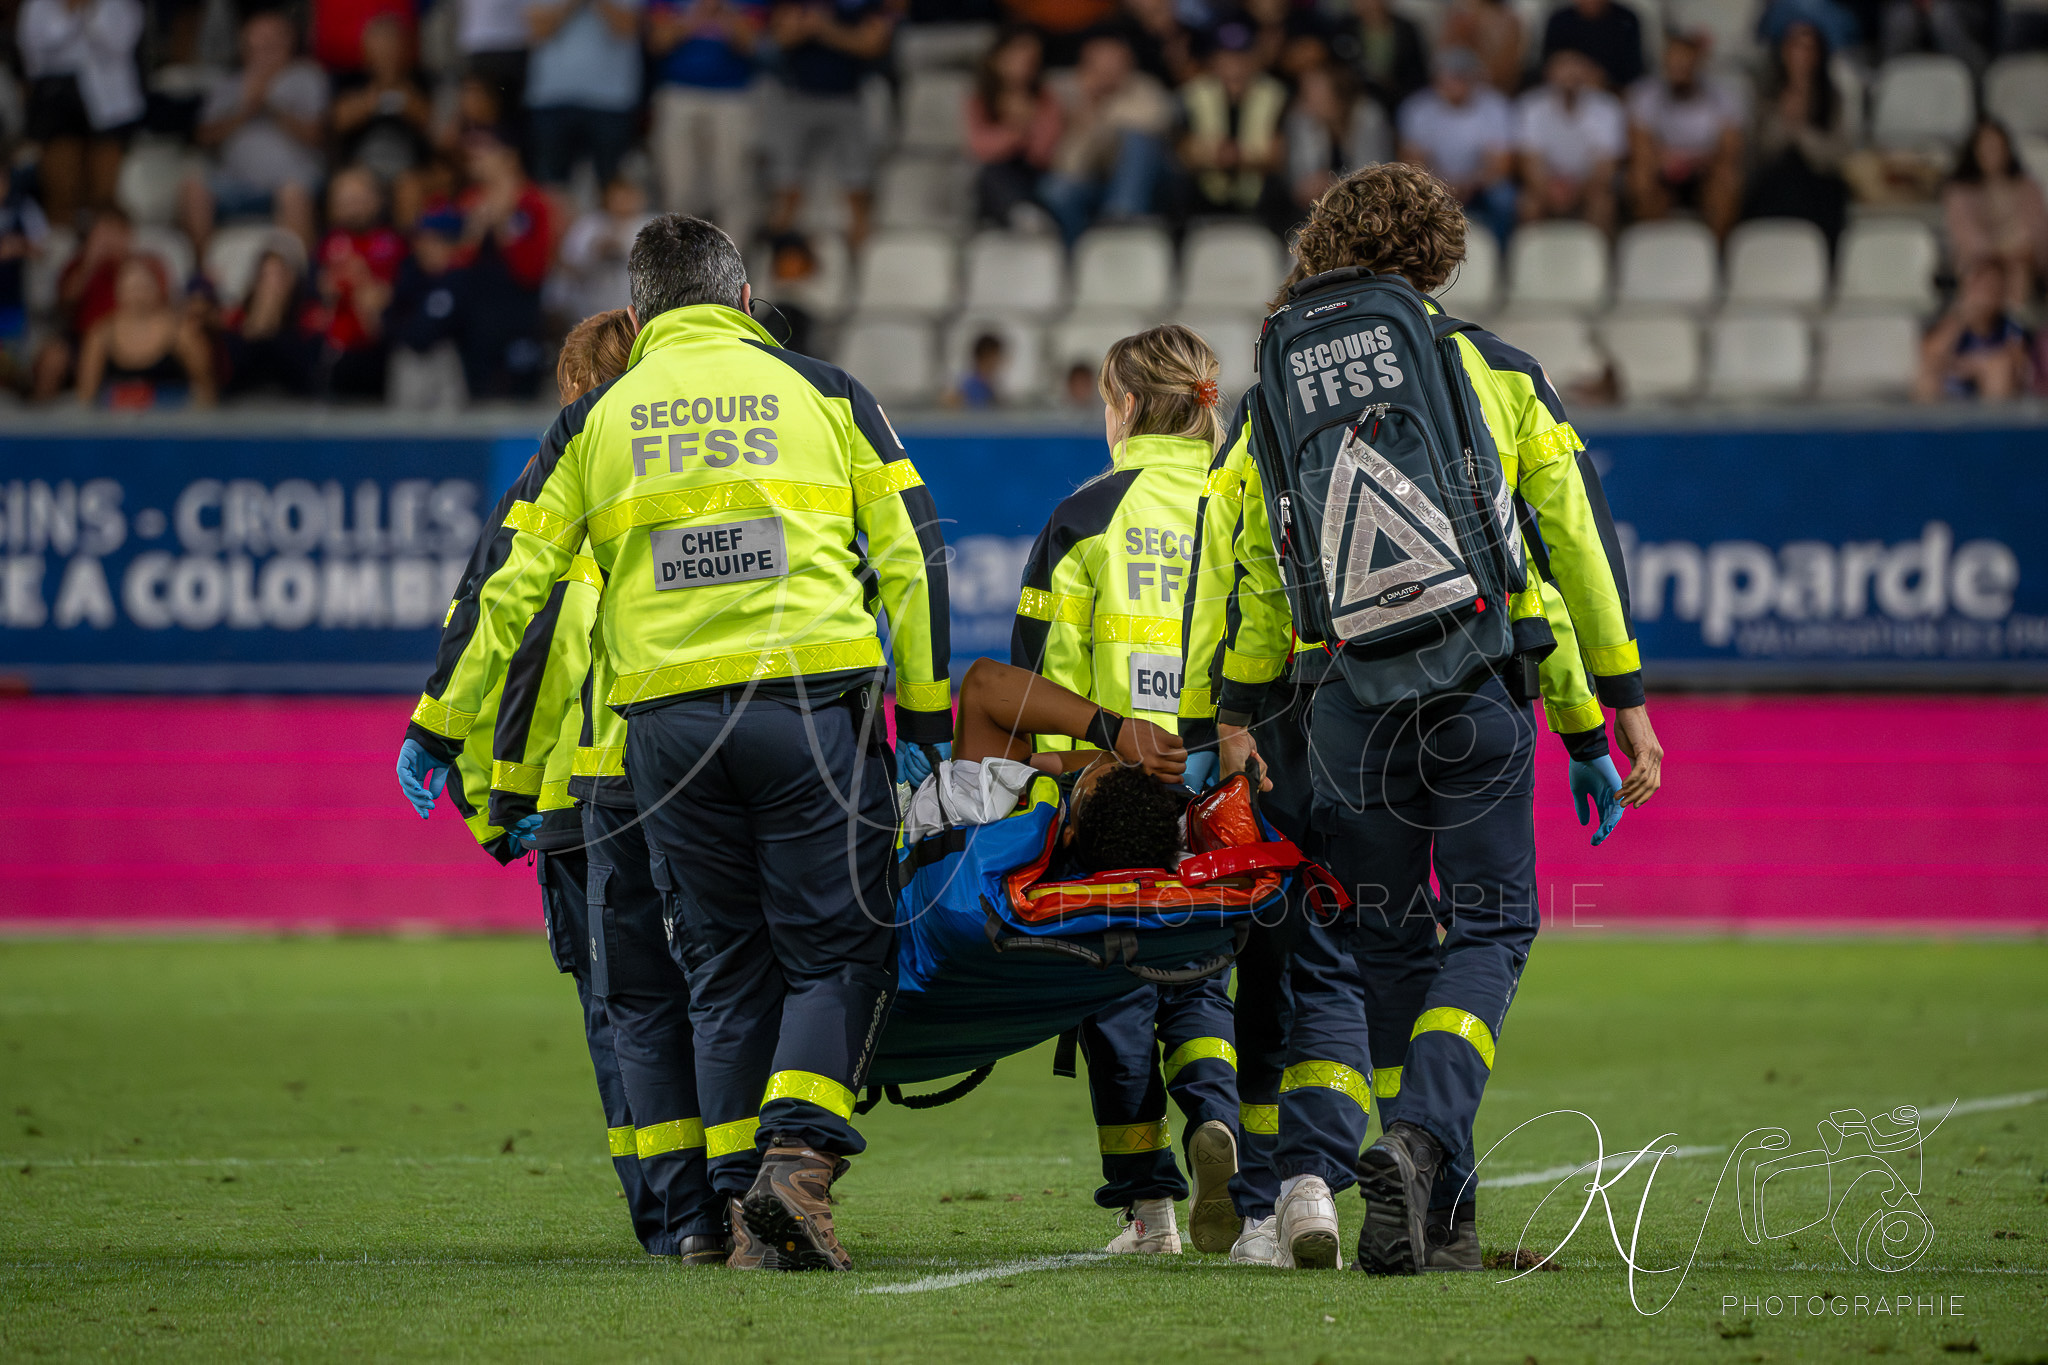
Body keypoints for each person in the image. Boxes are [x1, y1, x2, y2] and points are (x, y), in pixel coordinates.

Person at [394, 213, 951, 1272]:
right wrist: (921, 718)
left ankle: (740, 1223)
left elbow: (508, 583)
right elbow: (912, 555)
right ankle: (795, 1159)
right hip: (807, 706)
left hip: (662, 731)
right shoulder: (827, 392)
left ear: (641, 314)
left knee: (726, 972)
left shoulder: (593, 424)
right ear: (744, 303)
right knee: (838, 948)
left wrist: (438, 723)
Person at [1186, 163, 1662, 1273]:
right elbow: (1566, 552)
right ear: (1438, 262)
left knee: (1396, 952)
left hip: (1345, 714)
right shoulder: (1488, 369)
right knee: (1492, 929)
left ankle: (1434, 1228)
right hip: (1472, 696)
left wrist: (1240, 715)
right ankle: (1417, 1144)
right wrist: (1608, 708)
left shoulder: (1272, 403)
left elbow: (1255, 581)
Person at [1011, 324, 1242, 1260]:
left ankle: (1151, 1213)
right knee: (1201, 972)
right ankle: (1215, 1118)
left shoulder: (1086, 513)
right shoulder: (1241, 506)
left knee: (1111, 985)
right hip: (1223, 771)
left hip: (1109, 782)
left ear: (1128, 406)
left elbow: (1041, 675)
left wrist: (1049, 798)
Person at [180, 11, 329, 253]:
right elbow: (204, 137)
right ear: (245, 47)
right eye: (257, 42)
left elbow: (317, 135)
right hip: (235, 184)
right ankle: (204, 278)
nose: (264, 50)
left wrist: (270, 105)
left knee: (293, 195)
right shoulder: (228, 84)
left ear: (288, 43)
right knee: (192, 188)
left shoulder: (307, 76)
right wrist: (246, 109)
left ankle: (300, 277)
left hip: (290, 183)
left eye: (272, 42)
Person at [763, 0, 902, 249]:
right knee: (786, 184)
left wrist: (823, 29)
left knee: (857, 183)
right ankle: (781, 254)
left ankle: (863, 259)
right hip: (796, 97)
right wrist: (840, 34)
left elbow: (872, 44)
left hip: (849, 98)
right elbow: (780, 37)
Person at [15, 0, 145, 226]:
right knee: (61, 189)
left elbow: (119, 43)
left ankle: (102, 248)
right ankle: (63, 252)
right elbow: (33, 55)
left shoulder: (121, 5)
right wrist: (69, 11)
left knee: (103, 193)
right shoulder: (37, 5)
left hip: (109, 103)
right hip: (56, 100)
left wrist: (90, 10)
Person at [1039, 30, 1174, 243]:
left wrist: (1105, 112)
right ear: (1084, 66)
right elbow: (1068, 167)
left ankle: (1120, 225)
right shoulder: (1066, 94)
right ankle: (1081, 251)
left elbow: (1157, 122)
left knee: (1137, 140)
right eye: (1100, 64)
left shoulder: (1145, 89)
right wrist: (1089, 109)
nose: (1108, 72)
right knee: (1057, 190)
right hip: (1093, 182)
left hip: (1152, 184)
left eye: (1115, 63)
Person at [647, 0, 765, 237]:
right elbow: (658, 43)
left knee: (732, 186)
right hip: (678, 93)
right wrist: (695, 15)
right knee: (677, 186)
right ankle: (681, 263)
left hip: (732, 96)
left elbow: (752, 45)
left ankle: (730, 267)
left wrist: (725, 14)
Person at [451, 130, 552, 397]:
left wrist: (502, 224)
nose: (473, 159)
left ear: (508, 157)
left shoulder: (533, 203)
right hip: (477, 326)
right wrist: (474, 230)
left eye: (482, 152)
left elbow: (531, 271)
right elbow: (455, 266)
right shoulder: (469, 202)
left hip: (519, 319)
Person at [1625, 30, 1743, 239]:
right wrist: (1666, 160)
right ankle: (1654, 248)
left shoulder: (1723, 98)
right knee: (1638, 177)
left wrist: (1696, 162)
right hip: (1662, 171)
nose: (1678, 70)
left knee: (1727, 178)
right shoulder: (1645, 95)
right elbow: (1640, 147)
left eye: (1684, 65)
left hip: (1704, 172)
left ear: (1697, 64)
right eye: (1673, 64)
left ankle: (1716, 255)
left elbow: (1729, 151)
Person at [1176, 19, 1291, 229]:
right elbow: (1185, 152)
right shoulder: (1194, 93)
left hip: (1259, 193)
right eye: (1227, 57)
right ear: (1213, 60)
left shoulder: (1275, 94)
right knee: (1179, 189)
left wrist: (1238, 156)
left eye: (1241, 56)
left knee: (1280, 191)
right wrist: (1218, 156)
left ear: (1254, 58)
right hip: (1205, 192)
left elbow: (1278, 156)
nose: (1234, 64)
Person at [1743, 21, 1850, 244]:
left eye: (1808, 48)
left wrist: (1801, 132)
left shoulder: (1832, 98)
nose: (1800, 55)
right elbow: (1760, 149)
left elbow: (1836, 155)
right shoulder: (1767, 95)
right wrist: (1786, 114)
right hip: (1775, 176)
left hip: (1818, 179)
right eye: (1795, 47)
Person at [1398, 48, 1515, 248]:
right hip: (1434, 184)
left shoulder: (1494, 106)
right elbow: (1413, 164)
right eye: (1447, 77)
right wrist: (1443, 185)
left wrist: (1470, 183)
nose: (1453, 83)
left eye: (1460, 77)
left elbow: (1500, 165)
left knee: (1504, 198)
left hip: (1479, 185)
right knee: (1408, 195)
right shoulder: (1418, 108)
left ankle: (1498, 254)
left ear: (1473, 79)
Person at [524, 0, 646, 190]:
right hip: (553, 97)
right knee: (550, 186)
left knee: (612, 185)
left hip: (611, 100)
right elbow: (539, 30)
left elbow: (627, 28)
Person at [310, 167, 407, 398]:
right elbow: (315, 299)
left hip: (381, 351)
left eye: (360, 197)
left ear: (377, 200)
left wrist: (362, 282)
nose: (353, 206)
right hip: (332, 351)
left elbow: (394, 298)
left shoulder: (396, 245)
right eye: (344, 199)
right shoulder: (325, 246)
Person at [75, 255, 214, 409]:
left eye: (143, 286)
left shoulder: (182, 332)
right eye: (131, 287)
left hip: (174, 423)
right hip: (115, 426)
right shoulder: (101, 334)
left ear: (159, 286)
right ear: (118, 289)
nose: (137, 294)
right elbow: (86, 396)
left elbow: (206, 389)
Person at [1514, 47, 1624, 233]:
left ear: (1589, 71)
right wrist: (1550, 190)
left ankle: (1598, 260)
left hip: (1587, 186)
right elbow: (1530, 163)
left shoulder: (1607, 107)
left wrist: (1577, 191)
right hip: (1546, 185)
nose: (1571, 72)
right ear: (1549, 72)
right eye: (1563, 65)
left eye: (1577, 65)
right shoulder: (1530, 106)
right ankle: (1533, 258)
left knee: (1603, 204)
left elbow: (1605, 169)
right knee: (1528, 204)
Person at [1943, 121, 2048, 314]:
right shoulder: (1958, 192)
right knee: (1987, 278)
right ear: (1974, 151)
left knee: (2019, 273)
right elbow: (1970, 241)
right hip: (1978, 265)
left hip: (2024, 265)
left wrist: (2016, 252)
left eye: (1998, 147)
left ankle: (2014, 331)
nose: (1993, 154)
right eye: (1986, 148)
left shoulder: (2028, 187)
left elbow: (2036, 234)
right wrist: (2004, 251)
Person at [965, 27, 1063, 229]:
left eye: (1031, 59)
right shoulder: (980, 99)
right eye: (1017, 55)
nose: (1024, 63)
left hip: (1036, 175)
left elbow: (1043, 154)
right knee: (991, 174)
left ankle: (1025, 216)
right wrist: (1015, 131)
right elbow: (980, 148)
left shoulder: (1045, 98)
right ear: (997, 59)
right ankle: (1020, 214)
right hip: (998, 176)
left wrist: (1029, 120)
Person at [330, 14, 437, 190]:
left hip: (411, 172)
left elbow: (435, 127)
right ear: (365, 51)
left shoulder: (422, 83)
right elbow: (337, 122)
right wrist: (371, 98)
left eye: (392, 45)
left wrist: (403, 95)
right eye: (380, 46)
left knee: (409, 186)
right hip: (361, 171)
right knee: (352, 187)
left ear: (406, 49)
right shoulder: (351, 81)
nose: (386, 53)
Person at [1914, 259, 2034, 402]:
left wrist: (1972, 366)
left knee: (1998, 369)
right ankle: (1930, 424)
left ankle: (1993, 424)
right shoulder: (1950, 323)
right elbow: (1930, 354)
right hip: (1952, 393)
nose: (1983, 295)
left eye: (1990, 288)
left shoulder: (2011, 328)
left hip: (1990, 396)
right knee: (1928, 375)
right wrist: (1961, 318)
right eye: (1978, 287)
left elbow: (2015, 362)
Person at [1286, 62, 1392, 212]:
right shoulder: (1301, 118)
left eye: (1314, 92)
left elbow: (1374, 175)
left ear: (1338, 95)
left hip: (1368, 206)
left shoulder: (1368, 116)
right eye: (1304, 93)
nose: (1306, 100)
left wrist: (1331, 183)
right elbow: (1301, 183)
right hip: (1318, 209)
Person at [553, 175, 656, 322]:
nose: (623, 201)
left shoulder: (654, 226)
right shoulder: (589, 225)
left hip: (640, 315)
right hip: (593, 314)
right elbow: (566, 266)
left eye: (628, 195)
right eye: (617, 195)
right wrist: (594, 254)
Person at [1332, 0, 1429, 114]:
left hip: (1400, 97)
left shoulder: (1406, 28)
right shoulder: (1345, 27)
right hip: (1357, 96)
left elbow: (1418, 71)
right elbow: (1338, 64)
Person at [1540, 0, 1644, 92]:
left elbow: (1632, 70)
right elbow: (1549, 64)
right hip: (1564, 94)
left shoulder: (1626, 19)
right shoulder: (1559, 20)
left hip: (1612, 94)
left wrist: (1602, 79)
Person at [1441, 0, 1524, 98]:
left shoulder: (1510, 21)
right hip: (1462, 94)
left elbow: (1509, 68)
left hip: (1500, 93)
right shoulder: (1460, 16)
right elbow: (1447, 60)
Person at [945, 331, 1008, 408]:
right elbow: (949, 402)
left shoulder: (990, 385)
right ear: (987, 356)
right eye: (997, 356)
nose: (999, 361)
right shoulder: (966, 383)